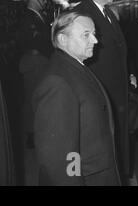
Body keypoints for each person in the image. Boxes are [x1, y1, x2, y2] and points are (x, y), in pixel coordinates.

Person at [33, 11, 120, 185]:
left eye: (94, 34)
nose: (95, 40)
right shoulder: (57, 82)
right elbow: (58, 158)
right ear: (63, 39)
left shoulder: (73, 66)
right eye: (86, 35)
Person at [74, 0, 134, 182]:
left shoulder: (107, 13)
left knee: (116, 147)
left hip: (115, 94)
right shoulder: (81, 15)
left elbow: (118, 50)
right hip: (100, 97)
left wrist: (129, 74)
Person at [17, 0, 53, 149]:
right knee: (32, 97)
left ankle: (36, 130)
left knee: (38, 97)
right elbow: (38, 42)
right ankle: (31, 135)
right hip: (34, 62)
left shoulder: (38, 16)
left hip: (40, 60)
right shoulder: (28, 18)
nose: (45, 1)